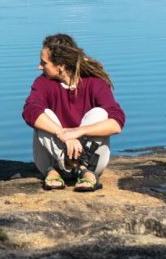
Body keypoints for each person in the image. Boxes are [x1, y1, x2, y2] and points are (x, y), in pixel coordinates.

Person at [22, 33, 125, 191]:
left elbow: (117, 123)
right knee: (43, 115)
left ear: (61, 66)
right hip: (50, 162)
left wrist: (77, 132)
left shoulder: (94, 83)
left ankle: (82, 168)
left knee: (100, 114)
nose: (39, 67)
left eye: (44, 63)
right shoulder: (43, 83)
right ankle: (67, 168)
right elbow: (29, 111)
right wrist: (63, 134)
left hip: (91, 162)